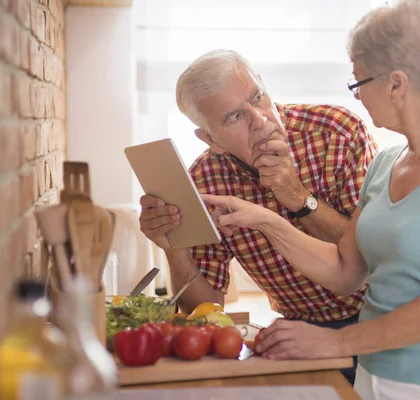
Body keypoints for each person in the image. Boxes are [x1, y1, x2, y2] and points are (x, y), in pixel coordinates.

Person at [201, 1, 420, 398]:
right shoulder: (387, 163)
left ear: (396, 84)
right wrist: (265, 220)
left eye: (358, 83)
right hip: (375, 377)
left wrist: (336, 344)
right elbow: (346, 271)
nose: (355, 97)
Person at [138, 49, 378, 384]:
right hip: (298, 330)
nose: (260, 119)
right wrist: (173, 247)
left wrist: (296, 196)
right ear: (211, 139)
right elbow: (204, 309)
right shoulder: (204, 182)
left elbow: (371, 258)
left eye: (257, 97)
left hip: (380, 318)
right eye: (234, 116)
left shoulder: (338, 132)